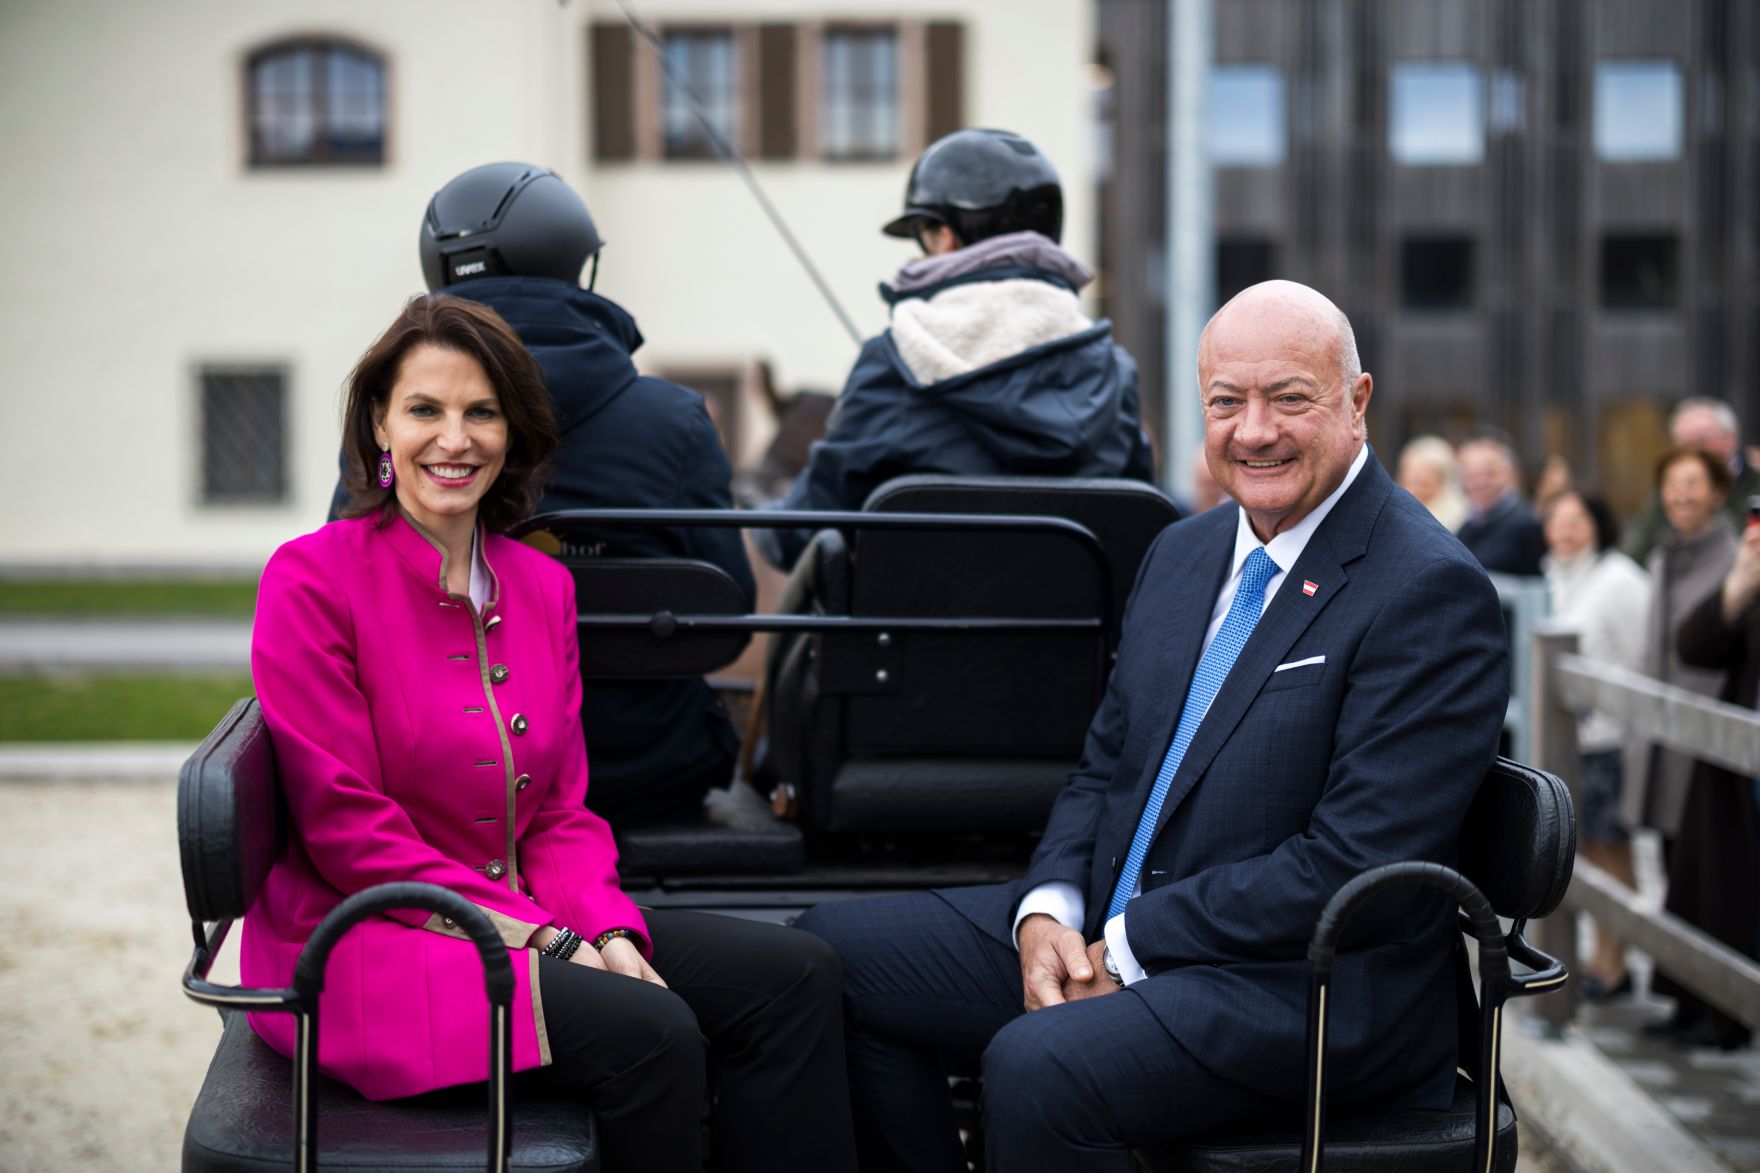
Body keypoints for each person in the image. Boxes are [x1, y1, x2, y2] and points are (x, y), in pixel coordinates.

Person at [795, 280, 1510, 1170]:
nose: (1254, 430)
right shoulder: (1183, 550)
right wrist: (1047, 912)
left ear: (1356, 403)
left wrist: (1130, 945)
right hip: (1118, 921)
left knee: (1036, 1064)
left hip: (1304, 982)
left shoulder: (1427, 589)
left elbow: (1354, 865)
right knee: (828, 960)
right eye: (1226, 402)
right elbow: (1105, 767)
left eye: (1290, 398)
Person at [250, 295, 856, 1173]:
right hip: (368, 943)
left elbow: (558, 815)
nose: (453, 439)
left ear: (513, 431)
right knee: (654, 1032)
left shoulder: (540, 587)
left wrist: (607, 928)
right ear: (379, 423)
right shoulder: (311, 577)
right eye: (425, 409)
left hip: (526, 910)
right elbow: (348, 831)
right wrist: (544, 937)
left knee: (798, 977)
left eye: (481, 412)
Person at [330, 161, 754, 828]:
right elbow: (729, 609)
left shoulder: (400, 425)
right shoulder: (673, 419)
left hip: (430, 784)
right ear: (573, 263)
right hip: (646, 771)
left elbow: (348, 587)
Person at [755, 128, 1154, 571]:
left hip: (913, 640)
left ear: (944, 237)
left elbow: (801, 536)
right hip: (1085, 639)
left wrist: (764, 510)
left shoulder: (893, 359)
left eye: (922, 237)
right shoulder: (1116, 372)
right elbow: (1136, 524)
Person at [1540, 489, 1651, 1000]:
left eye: (1577, 520)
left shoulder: (1620, 579)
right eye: (1557, 520)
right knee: (1583, 851)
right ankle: (1599, 954)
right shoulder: (1550, 573)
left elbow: (1639, 658)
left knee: (1611, 850)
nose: (1565, 530)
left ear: (1599, 524)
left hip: (1609, 739)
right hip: (1567, 742)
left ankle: (1617, 962)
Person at [1666, 516, 1760, 1050]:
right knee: (1730, 885)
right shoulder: (1752, 580)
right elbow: (1693, 645)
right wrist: (1742, 581)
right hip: (1740, 757)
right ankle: (1718, 1011)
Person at [1621, 447, 1736, 853]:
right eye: (1670, 485)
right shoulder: (1662, 557)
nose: (1680, 495)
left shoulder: (1738, 563)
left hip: (1712, 737)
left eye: (1692, 484)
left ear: (1718, 492)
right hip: (1662, 729)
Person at [1623, 397, 1760, 564]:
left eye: (1703, 441)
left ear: (1730, 438)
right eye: (1685, 445)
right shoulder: (1669, 493)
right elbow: (1638, 552)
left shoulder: (1754, 484)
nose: (1695, 452)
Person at [1455, 432, 1545, 575]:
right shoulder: (1468, 525)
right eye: (1471, 475)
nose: (1480, 482)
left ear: (1511, 474)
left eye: (1490, 474)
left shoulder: (1527, 524)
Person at [1396, 433, 1468, 530]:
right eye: (1406, 482)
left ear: (1442, 480)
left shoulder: (1460, 519)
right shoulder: (1395, 511)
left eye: (1422, 484)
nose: (1412, 490)